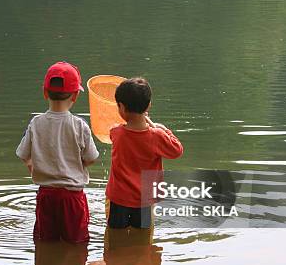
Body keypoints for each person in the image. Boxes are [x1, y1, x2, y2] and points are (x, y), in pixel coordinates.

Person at [16, 61, 99, 243]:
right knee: (77, 245)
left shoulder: (36, 123)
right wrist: (77, 165)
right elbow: (92, 158)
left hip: (46, 196)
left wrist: (33, 166)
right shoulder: (79, 126)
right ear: (75, 96)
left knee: (46, 242)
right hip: (72, 198)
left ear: (45, 92)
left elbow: (23, 154)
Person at [106, 77, 183, 229]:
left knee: (115, 237)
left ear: (121, 107)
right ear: (148, 105)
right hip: (145, 201)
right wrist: (164, 130)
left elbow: (120, 130)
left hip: (119, 198)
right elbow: (177, 150)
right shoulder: (157, 136)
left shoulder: (116, 133)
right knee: (143, 239)